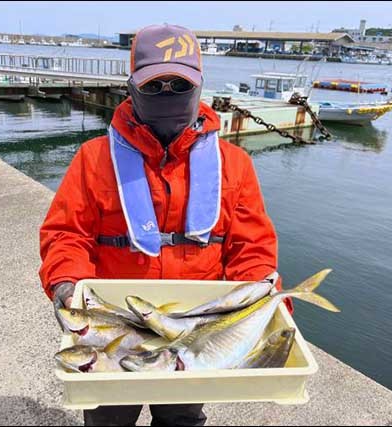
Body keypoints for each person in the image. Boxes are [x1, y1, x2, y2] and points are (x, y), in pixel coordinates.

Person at [39, 24, 290, 427]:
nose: (168, 94)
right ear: (132, 88)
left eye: (180, 84)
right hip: (114, 324)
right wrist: (68, 281)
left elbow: (252, 250)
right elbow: (65, 235)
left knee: (182, 418)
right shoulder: (93, 158)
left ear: (200, 86)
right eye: (154, 86)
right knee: (107, 419)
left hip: (196, 330)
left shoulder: (235, 165)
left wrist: (267, 301)